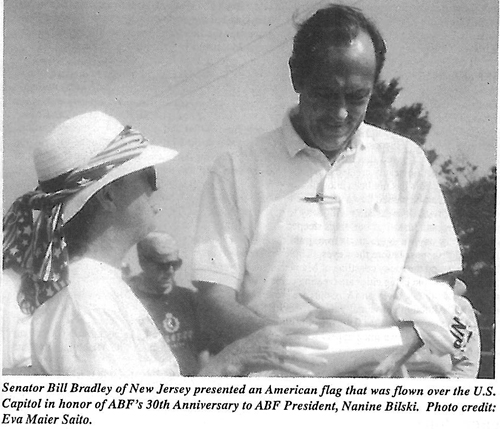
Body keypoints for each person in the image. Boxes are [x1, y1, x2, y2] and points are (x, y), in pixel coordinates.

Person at [192, 4, 474, 377]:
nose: (340, 114)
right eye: (325, 94)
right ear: (296, 76)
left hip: (384, 386)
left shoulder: (405, 161)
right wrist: (294, 347)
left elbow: (438, 279)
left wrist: (397, 349)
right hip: (277, 390)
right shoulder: (235, 168)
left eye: (357, 97)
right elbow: (213, 300)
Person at [3, 111, 326, 376]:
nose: (155, 190)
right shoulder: (87, 300)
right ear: (108, 196)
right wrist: (231, 359)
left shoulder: (97, 288)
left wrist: (234, 361)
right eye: (148, 176)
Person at [127, 232, 202, 376]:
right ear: (143, 263)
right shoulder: (131, 303)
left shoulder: (189, 298)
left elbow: (203, 350)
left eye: (175, 264)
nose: (170, 271)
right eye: (163, 265)